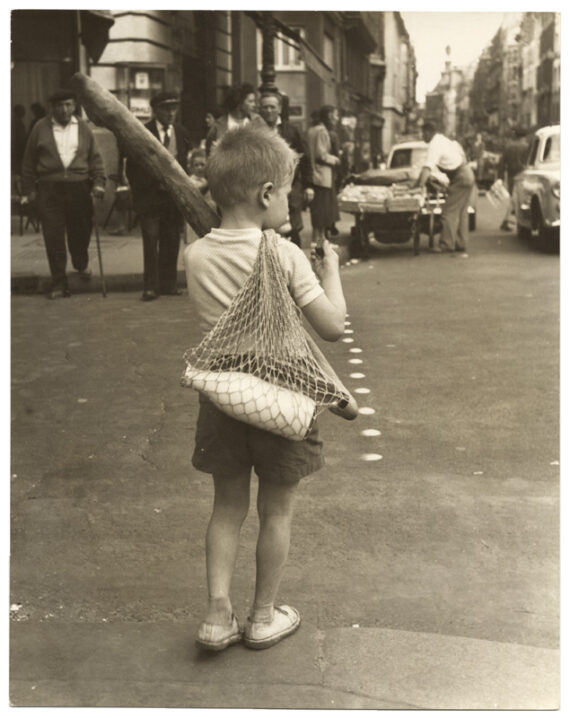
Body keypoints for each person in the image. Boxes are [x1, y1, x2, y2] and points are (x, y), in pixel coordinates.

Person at [183, 125, 347, 651]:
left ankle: (215, 617)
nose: (292, 202)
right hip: (280, 399)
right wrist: (332, 270)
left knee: (226, 507)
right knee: (276, 512)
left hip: (225, 396)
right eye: (289, 191)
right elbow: (332, 326)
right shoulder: (284, 255)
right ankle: (261, 615)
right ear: (266, 194)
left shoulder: (197, 255)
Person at [21, 89, 106, 299]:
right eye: (60, 105)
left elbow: (95, 159)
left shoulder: (84, 128)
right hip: (50, 189)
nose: (64, 109)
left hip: (79, 187)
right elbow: (28, 162)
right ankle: (59, 282)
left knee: (80, 231)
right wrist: (29, 190)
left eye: (68, 104)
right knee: (53, 236)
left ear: (74, 106)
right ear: (52, 108)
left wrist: (98, 183)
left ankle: (80, 261)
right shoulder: (40, 128)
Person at [125, 91, 193, 301]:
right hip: (150, 198)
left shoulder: (181, 133)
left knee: (171, 239)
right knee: (151, 240)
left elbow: (185, 164)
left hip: (173, 199)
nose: (171, 113)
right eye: (166, 109)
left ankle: (168, 283)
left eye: (174, 108)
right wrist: (147, 189)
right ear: (155, 111)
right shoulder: (144, 132)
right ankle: (150, 286)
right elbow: (133, 168)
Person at [258, 91, 314, 247]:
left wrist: (308, 185)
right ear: (260, 110)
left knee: (292, 230)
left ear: (280, 109)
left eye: (272, 107)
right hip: (264, 188)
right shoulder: (255, 131)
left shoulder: (291, 131)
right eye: (265, 107)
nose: (269, 111)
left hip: (289, 188)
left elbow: (305, 157)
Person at [415, 121, 475, 257]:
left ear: (428, 132)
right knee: (461, 212)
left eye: (422, 132)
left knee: (448, 211)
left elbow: (427, 168)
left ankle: (446, 244)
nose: (422, 135)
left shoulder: (435, 144)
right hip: (467, 174)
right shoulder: (445, 140)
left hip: (461, 177)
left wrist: (418, 187)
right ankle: (461, 243)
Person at [306, 105, 342, 249]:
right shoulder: (322, 131)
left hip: (315, 174)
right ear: (328, 116)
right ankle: (319, 241)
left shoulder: (311, 130)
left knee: (318, 210)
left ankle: (320, 240)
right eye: (335, 115)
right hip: (322, 175)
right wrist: (335, 160)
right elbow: (321, 154)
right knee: (323, 210)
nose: (336, 119)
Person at [205, 83, 264, 156]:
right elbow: (209, 154)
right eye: (250, 101)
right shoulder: (218, 127)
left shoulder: (258, 121)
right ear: (239, 103)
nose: (254, 105)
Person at [498, 127, 529, 231]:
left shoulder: (508, 147)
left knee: (514, 199)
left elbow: (501, 164)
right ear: (524, 137)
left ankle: (508, 221)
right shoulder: (527, 147)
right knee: (518, 200)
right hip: (523, 176)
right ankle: (517, 222)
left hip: (511, 177)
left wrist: (500, 178)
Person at [184, 148, 215, 245]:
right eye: (196, 165)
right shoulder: (190, 181)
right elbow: (197, 192)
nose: (199, 168)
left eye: (202, 165)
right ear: (191, 168)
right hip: (195, 217)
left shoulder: (206, 181)